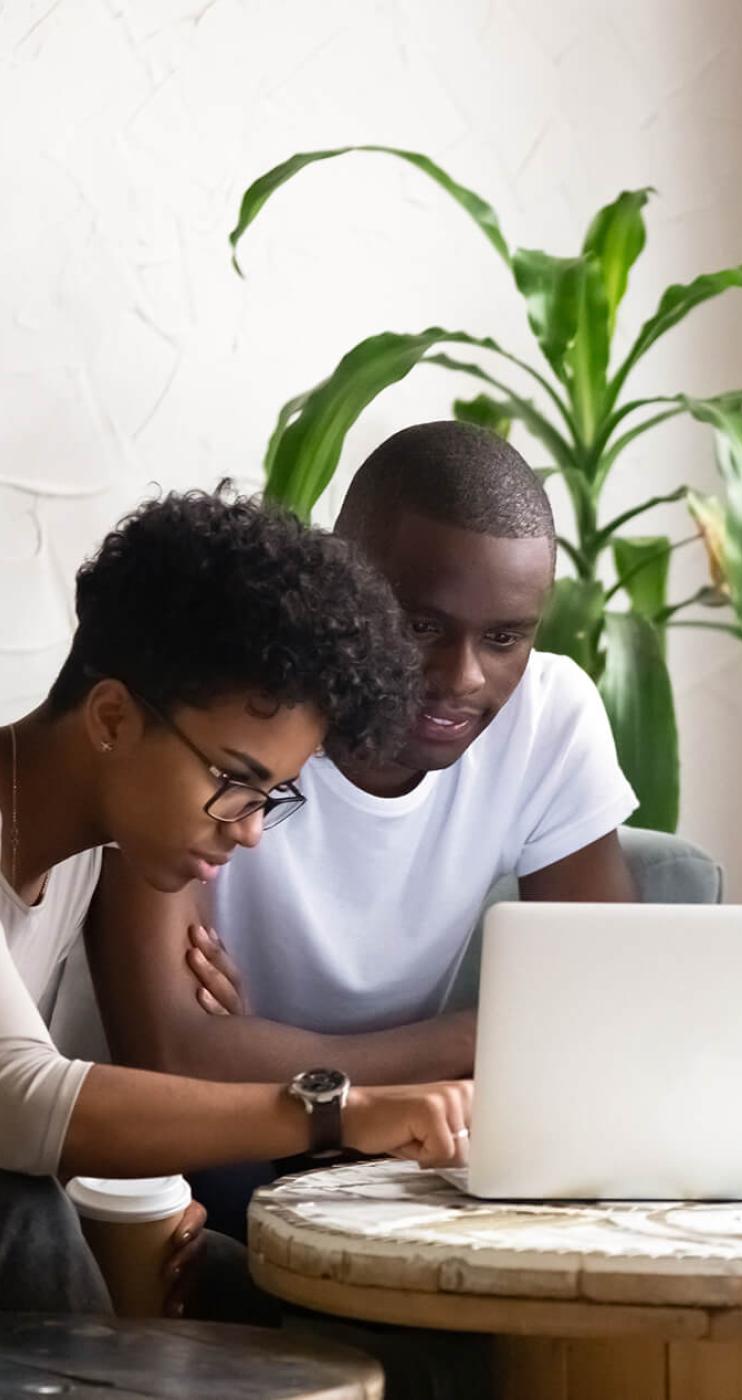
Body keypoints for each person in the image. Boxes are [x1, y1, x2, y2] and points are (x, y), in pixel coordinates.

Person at [79, 422, 638, 1232]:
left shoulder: (549, 715)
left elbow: (602, 1013)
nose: (462, 678)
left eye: (506, 637)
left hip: (395, 1144)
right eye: (421, 628)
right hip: (184, 1152)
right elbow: (173, 1053)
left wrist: (284, 1055)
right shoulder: (226, 707)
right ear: (346, 582)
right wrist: (477, 1037)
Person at [0, 488, 471, 1319]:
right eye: (234, 782)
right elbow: (22, 1097)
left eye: (274, 796)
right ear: (112, 717)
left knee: (282, 1296)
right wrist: (339, 1114)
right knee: (23, 1220)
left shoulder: (84, 850)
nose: (250, 832)